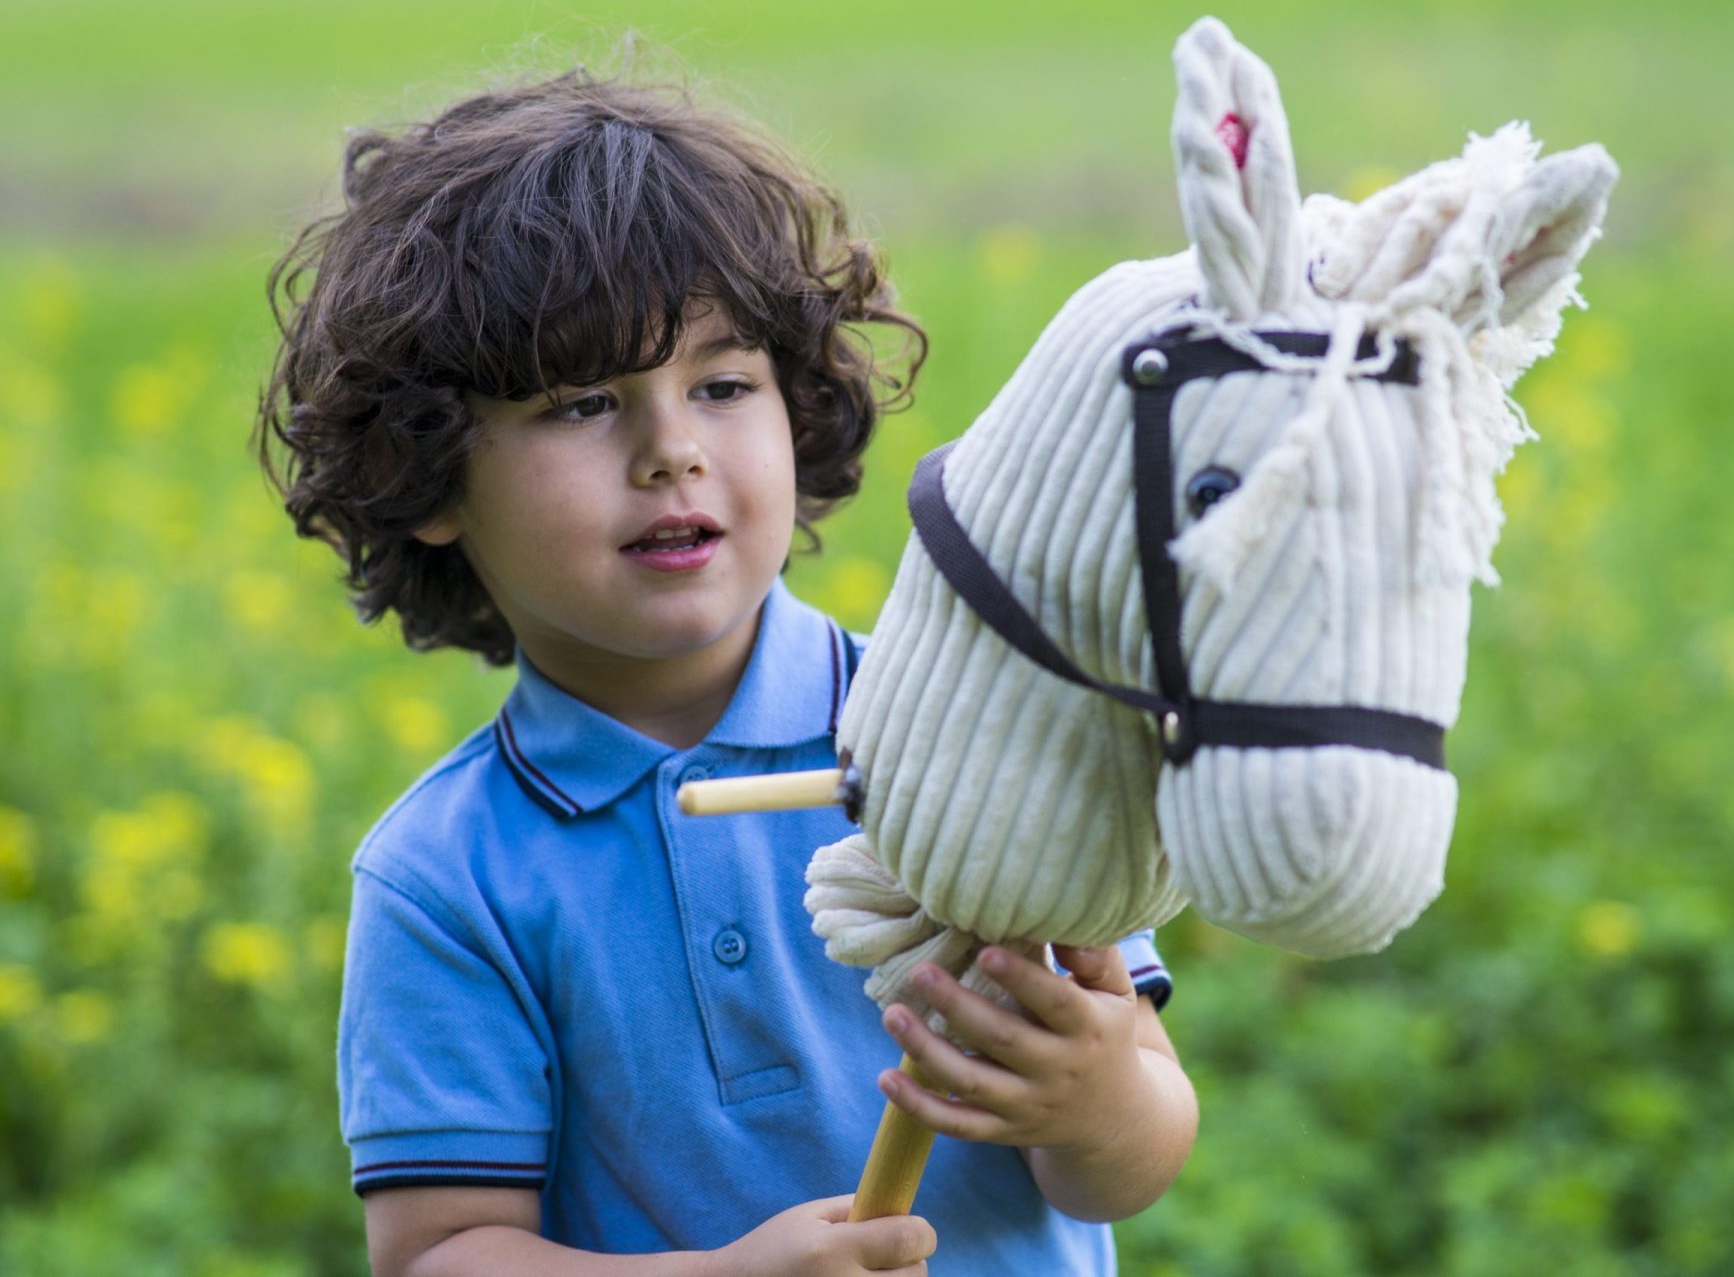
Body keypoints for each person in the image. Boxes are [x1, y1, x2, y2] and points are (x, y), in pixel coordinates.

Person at [255, 64, 1197, 1276]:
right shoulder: (448, 875)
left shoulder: (975, 740)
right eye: (584, 400)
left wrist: (1096, 1096)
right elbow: (439, 1253)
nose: (672, 451)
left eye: (722, 384)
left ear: (794, 408)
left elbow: (1140, 1146)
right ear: (422, 465)